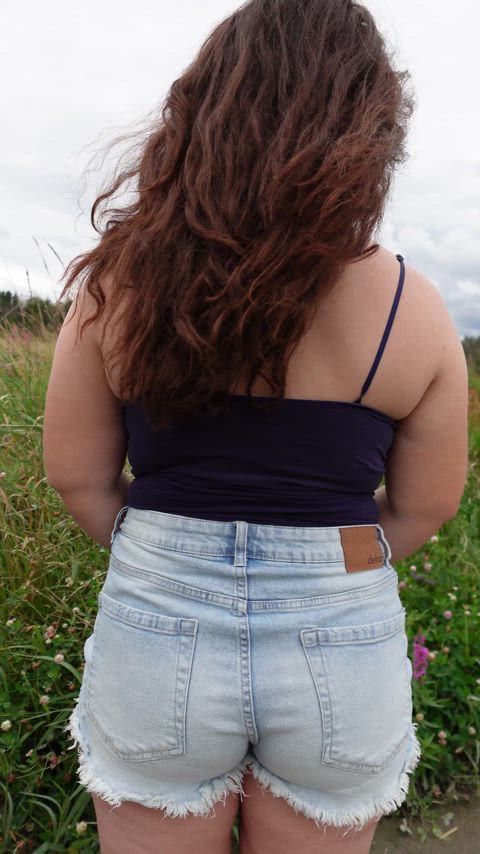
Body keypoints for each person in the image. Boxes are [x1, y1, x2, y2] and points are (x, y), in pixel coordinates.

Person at [43, 1, 469, 852]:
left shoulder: (116, 288)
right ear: (370, 132)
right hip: (341, 635)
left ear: (204, 113)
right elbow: (422, 512)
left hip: (157, 615)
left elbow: (78, 479)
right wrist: (319, 564)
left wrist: (170, 550)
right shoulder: (415, 311)